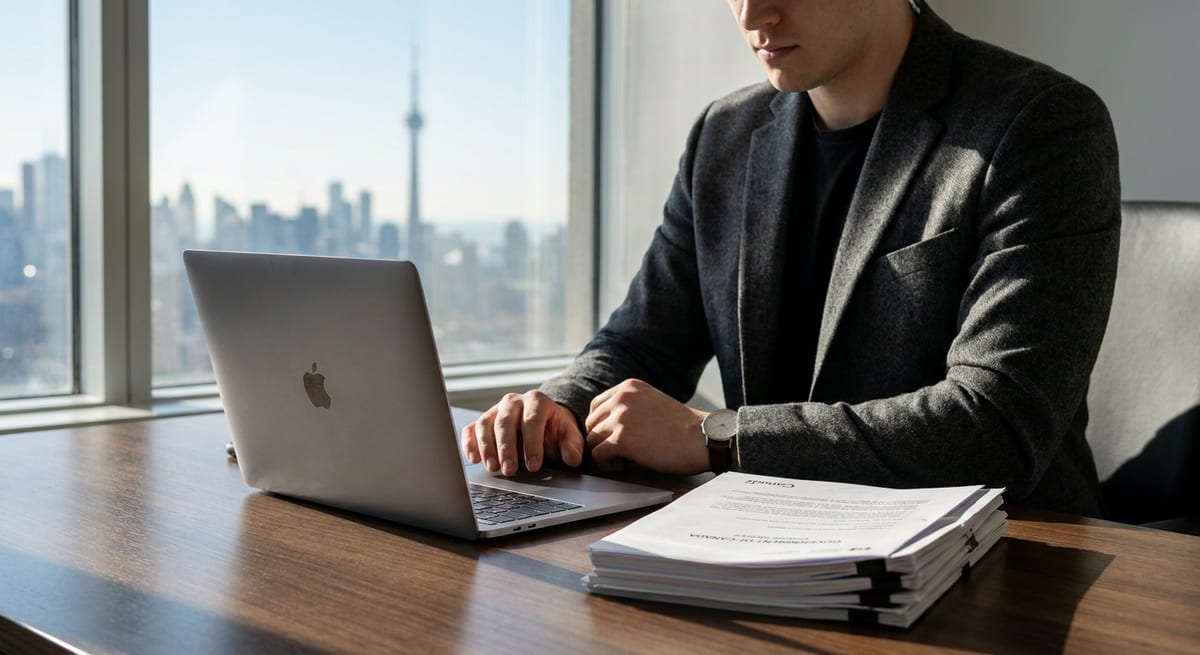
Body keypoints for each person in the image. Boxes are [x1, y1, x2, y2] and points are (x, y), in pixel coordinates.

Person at [461, 0, 1120, 517]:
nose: (752, 15)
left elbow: (995, 426)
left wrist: (717, 435)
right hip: (772, 549)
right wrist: (553, 408)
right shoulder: (723, 136)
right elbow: (639, 345)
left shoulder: (1040, 125)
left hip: (1000, 561)